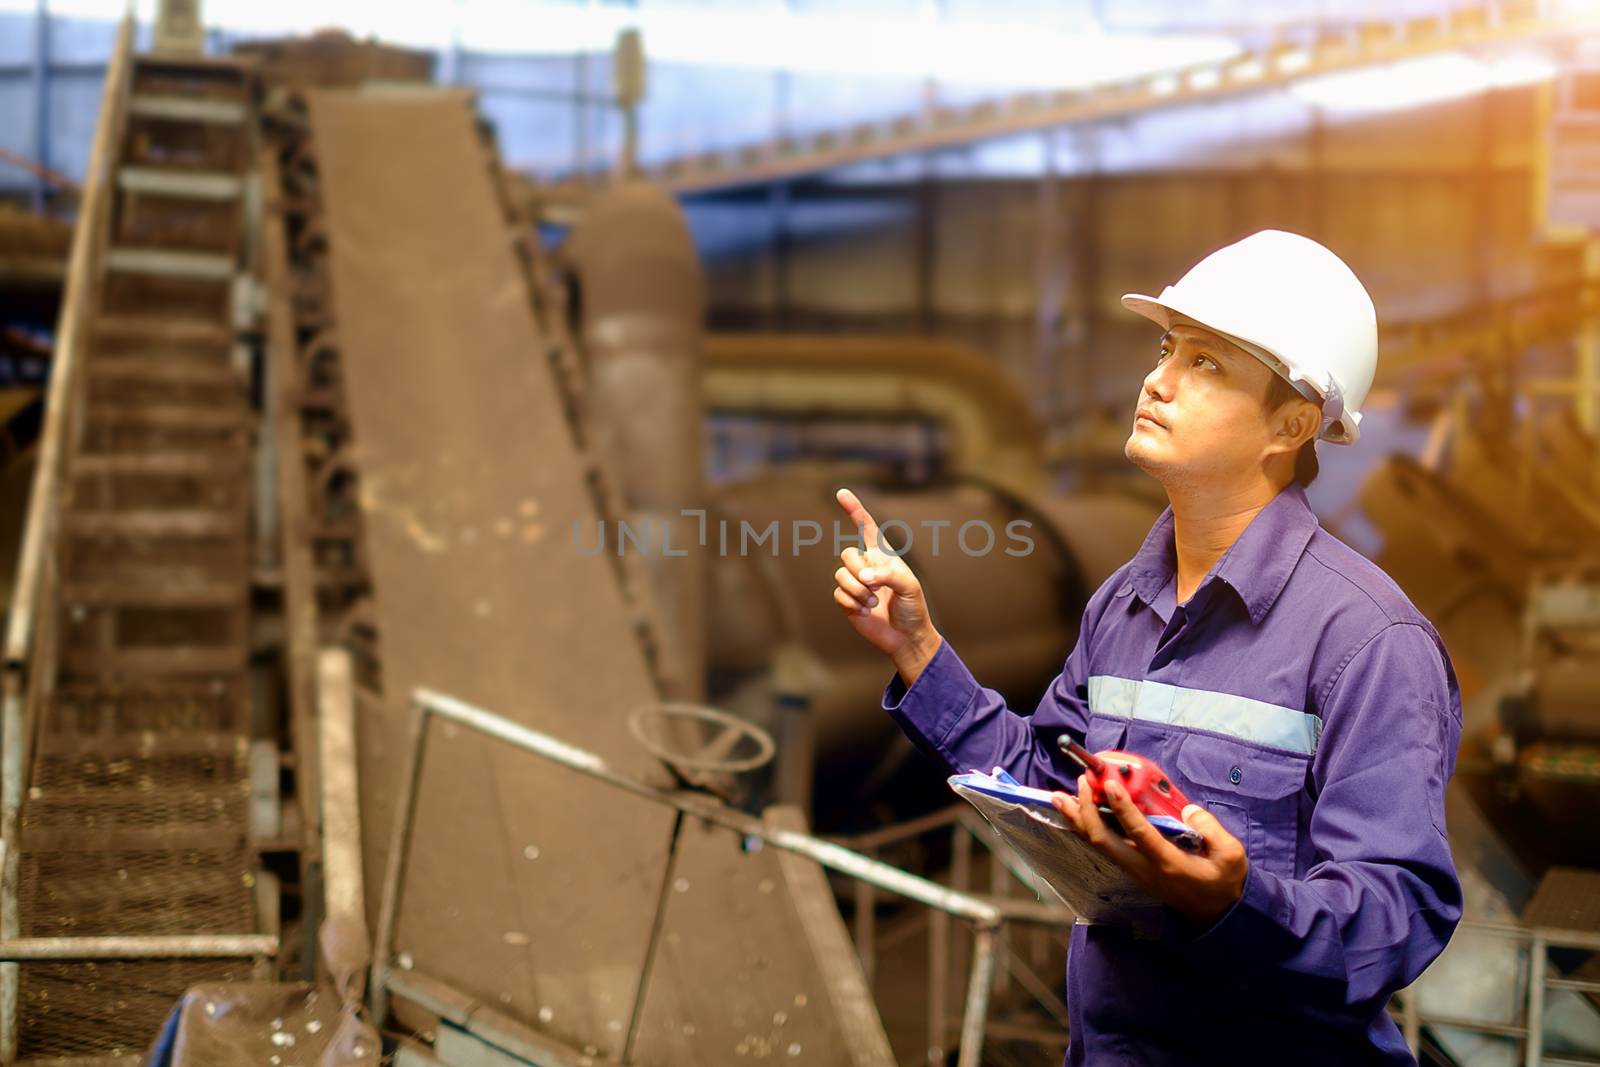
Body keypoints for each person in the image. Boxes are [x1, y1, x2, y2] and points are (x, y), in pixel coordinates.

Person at [831, 229, 1463, 1066]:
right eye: (1167, 348)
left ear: (1295, 422)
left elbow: (1396, 915)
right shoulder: (1126, 605)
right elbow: (1051, 782)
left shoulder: (1367, 642)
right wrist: (920, 650)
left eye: (1206, 363)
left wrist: (1241, 902)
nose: (1156, 379)